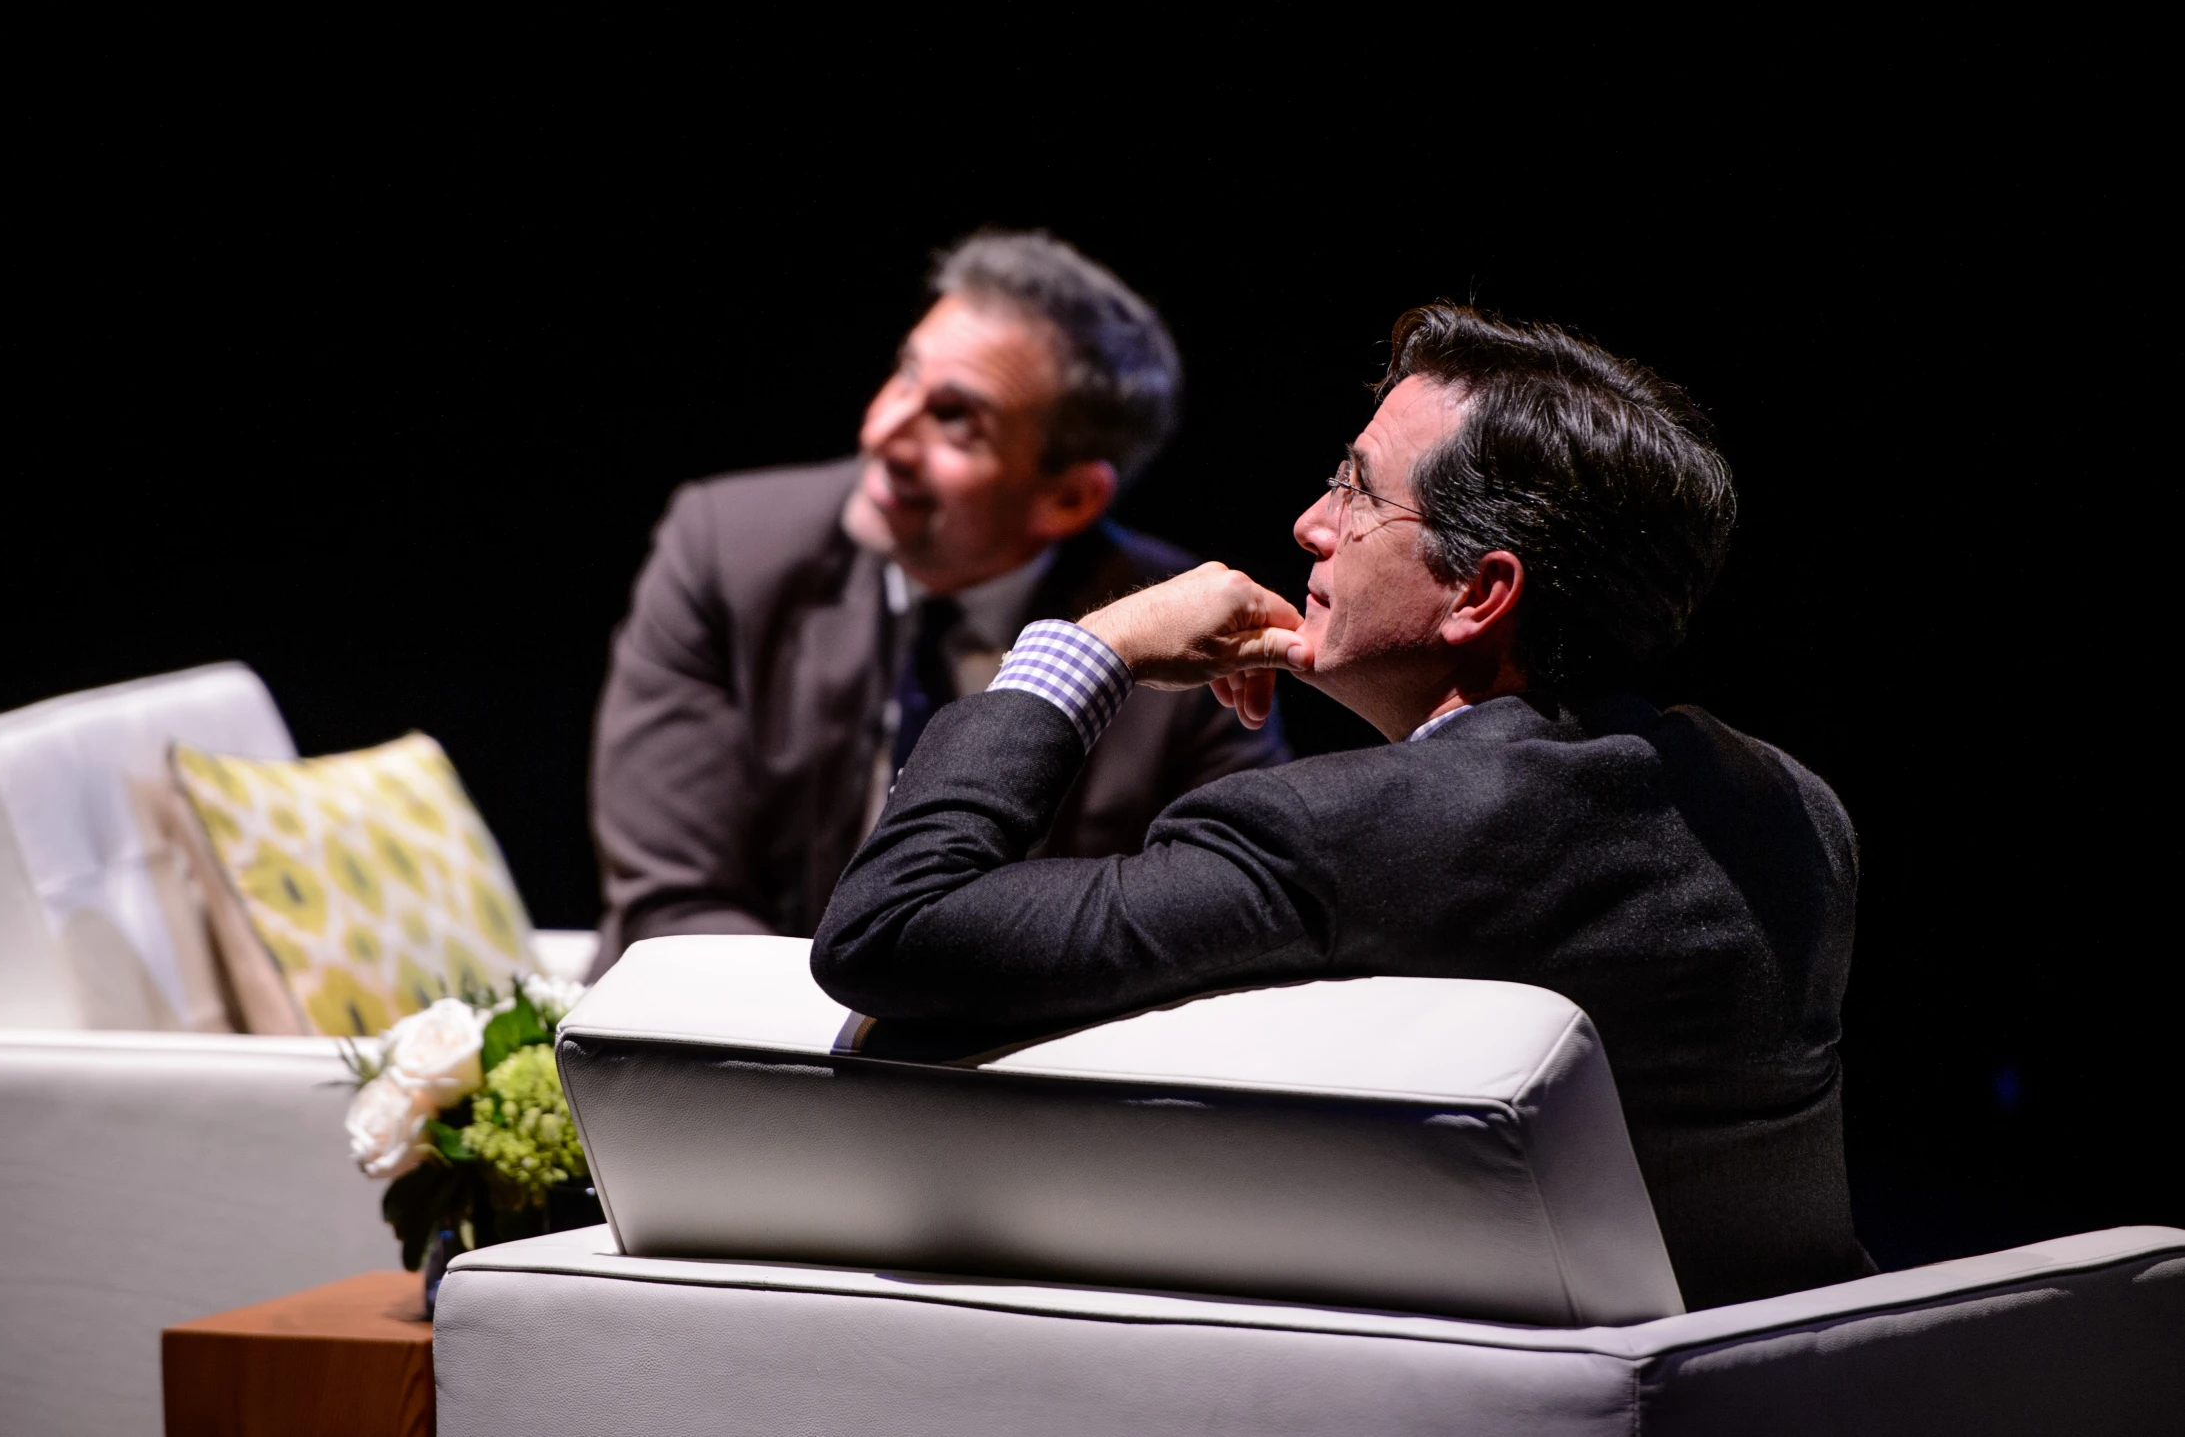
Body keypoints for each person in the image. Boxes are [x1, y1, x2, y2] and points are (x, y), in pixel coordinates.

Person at [815, 303, 1873, 1310]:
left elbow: (891, 928)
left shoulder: (1339, 834)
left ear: (1479, 594)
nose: (1310, 524)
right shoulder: (1795, 815)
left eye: (1358, 492)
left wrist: (1088, 649)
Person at [588, 233, 1289, 977]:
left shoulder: (1192, 638)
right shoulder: (726, 549)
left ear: (1068, 497)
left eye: (956, 418)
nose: (882, 432)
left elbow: (1218, 927)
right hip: (716, 1044)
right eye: (904, 375)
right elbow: (672, 899)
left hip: (1014, 1069)